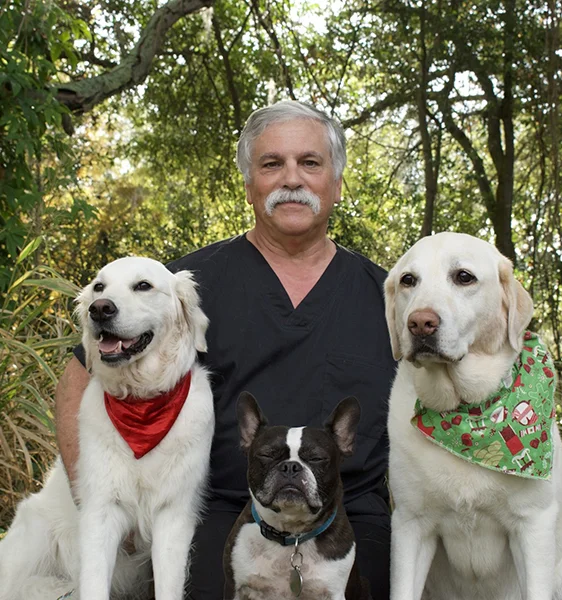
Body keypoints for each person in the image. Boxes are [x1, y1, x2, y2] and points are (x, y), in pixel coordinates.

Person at [56, 100, 397, 599]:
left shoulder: (389, 298)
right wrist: (101, 505)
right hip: (219, 512)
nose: (292, 178)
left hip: (349, 515)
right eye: (271, 164)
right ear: (249, 185)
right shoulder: (178, 288)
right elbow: (79, 375)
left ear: (337, 182)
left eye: (310, 162)